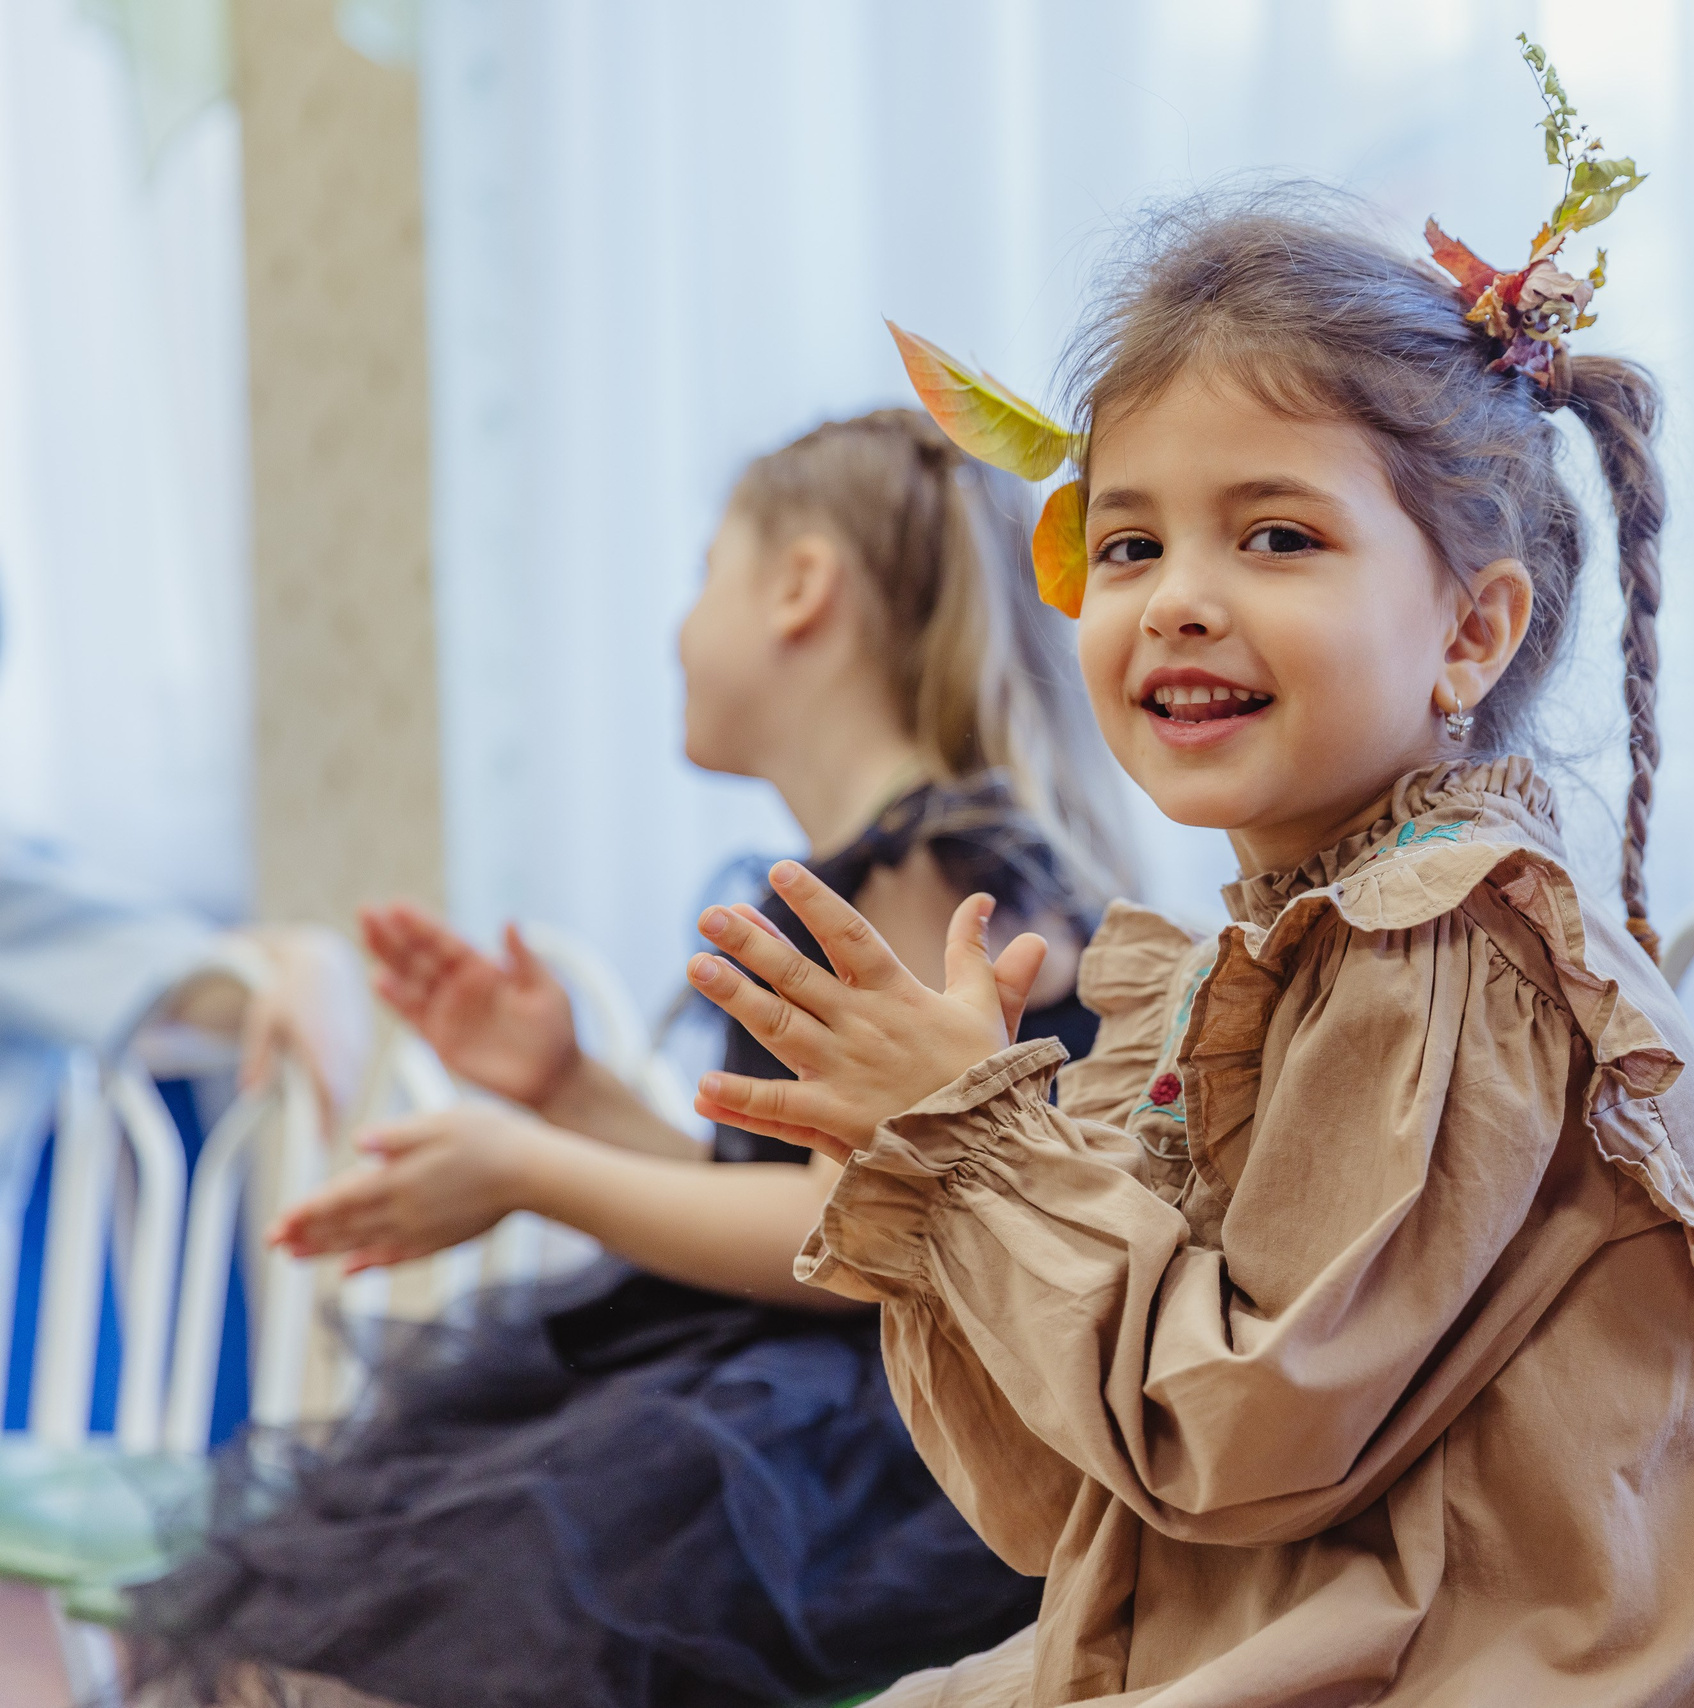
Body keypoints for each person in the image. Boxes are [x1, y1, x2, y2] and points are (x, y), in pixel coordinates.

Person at [687, 50, 1694, 1708]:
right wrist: (931, 1178)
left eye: (1277, 536)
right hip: (1265, 1627)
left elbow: (1231, 1437)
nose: (1177, 599)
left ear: (1469, 629)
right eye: (1134, 542)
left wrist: (983, 1151)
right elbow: (1062, 1507)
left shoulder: (1447, 939)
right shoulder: (1279, 953)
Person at [126, 410, 1130, 1708]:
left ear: (800, 588)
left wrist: (532, 1165)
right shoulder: (878, 865)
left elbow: (867, 1233)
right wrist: (570, 1092)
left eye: (706, 569)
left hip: (881, 1462)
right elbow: (790, 1199)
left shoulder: (943, 872)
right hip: (780, 1401)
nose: (679, 626)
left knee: (415, 1627)